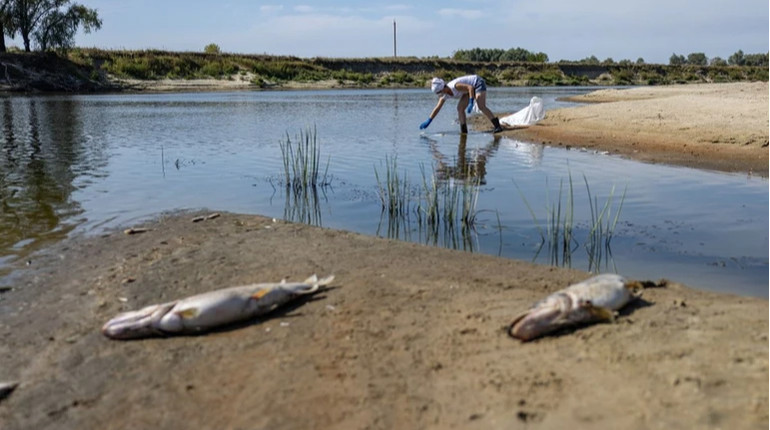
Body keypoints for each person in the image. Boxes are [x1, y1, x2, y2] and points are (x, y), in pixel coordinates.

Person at [419, 75, 503, 134]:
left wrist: (471, 102)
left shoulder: (455, 86)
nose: (439, 95)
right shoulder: (444, 95)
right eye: (438, 93)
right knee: (460, 108)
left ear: (443, 88)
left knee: (481, 106)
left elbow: (470, 88)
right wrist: (429, 120)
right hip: (468, 90)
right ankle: (464, 131)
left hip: (477, 83)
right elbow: (437, 108)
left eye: (439, 92)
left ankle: (497, 126)